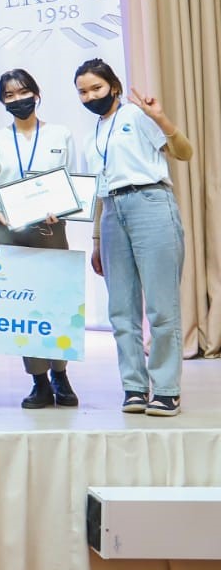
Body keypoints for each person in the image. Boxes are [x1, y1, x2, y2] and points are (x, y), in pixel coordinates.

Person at [78, 59, 194, 417]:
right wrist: (96, 240)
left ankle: (167, 390)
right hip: (112, 214)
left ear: (114, 86)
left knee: (161, 306)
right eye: (83, 92)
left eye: (96, 88)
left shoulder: (137, 116)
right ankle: (134, 386)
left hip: (150, 202)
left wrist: (160, 118)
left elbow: (184, 152)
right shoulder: (92, 136)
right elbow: (99, 191)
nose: (90, 96)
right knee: (120, 310)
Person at [0, 68, 79, 409]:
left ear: (36, 94)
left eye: (23, 92)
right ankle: (38, 380)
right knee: (24, 306)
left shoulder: (60, 134)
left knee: (56, 301)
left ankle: (61, 374)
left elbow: (75, 181)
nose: (18, 100)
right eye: (9, 95)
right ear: (3, 102)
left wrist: (64, 208)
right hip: (9, 231)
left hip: (50, 228)